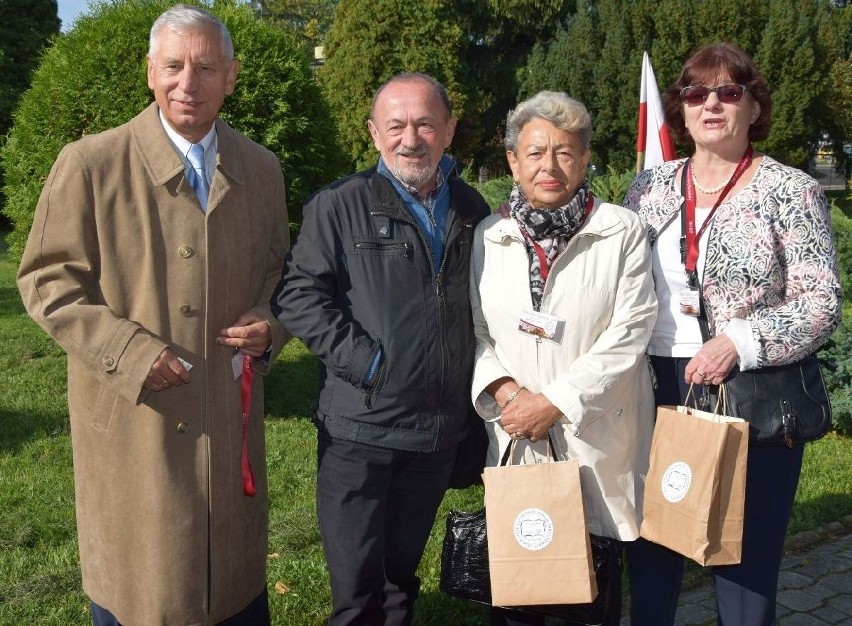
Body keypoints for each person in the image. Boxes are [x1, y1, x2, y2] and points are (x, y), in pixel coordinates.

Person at [16, 5, 290, 625]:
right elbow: (47, 280)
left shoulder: (262, 169)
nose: (187, 83)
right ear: (149, 72)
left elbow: (282, 273)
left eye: (205, 67)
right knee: (146, 590)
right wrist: (133, 354)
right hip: (134, 433)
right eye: (173, 65)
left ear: (231, 76)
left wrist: (270, 322)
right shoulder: (91, 164)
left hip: (229, 429)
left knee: (234, 594)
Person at [623, 42, 842, 626]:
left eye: (728, 92)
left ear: (753, 107)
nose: (711, 104)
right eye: (697, 93)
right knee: (652, 553)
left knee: (741, 565)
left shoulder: (789, 190)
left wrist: (738, 342)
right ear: (683, 109)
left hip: (748, 391)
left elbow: (820, 303)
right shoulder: (649, 189)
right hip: (654, 387)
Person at [271, 72, 489, 625]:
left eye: (424, 124)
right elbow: (298, 296)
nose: (409, 138)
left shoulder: (472, 208)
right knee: (357, 587)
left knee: (400, 581)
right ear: (374, 133)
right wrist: (367, 364)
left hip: (436, 432)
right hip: (360, 431)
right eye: (395, 125)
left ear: (448, 131)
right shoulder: (339, 206)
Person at [470, 91, 658, 626]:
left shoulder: (620, 231)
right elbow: (480, 331)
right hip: (517, 435)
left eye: (565, 152)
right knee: (518, 589)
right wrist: (507, 392)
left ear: (585, 158)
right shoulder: (491, 235)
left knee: (589, 599)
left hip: (597, 435)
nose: (549, 166)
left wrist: (555, 401)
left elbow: (631, 331)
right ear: (512, 160)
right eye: (535, 152)